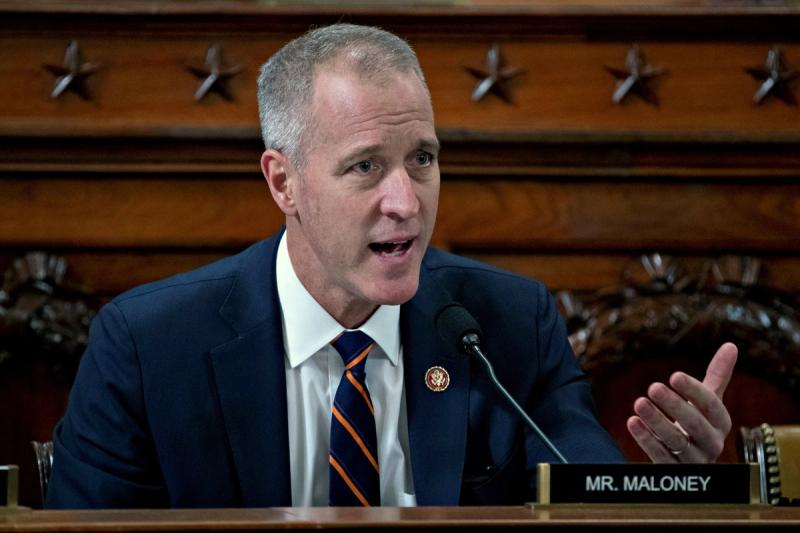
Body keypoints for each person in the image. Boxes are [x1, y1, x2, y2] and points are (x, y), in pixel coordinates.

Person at [46, 23, 737, 509]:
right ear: (284, 182)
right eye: (366, 166)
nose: (405, 202)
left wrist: (676, 487)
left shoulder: (506, 325)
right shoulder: (147, 346)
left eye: (423, 160)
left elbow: (588, 498)